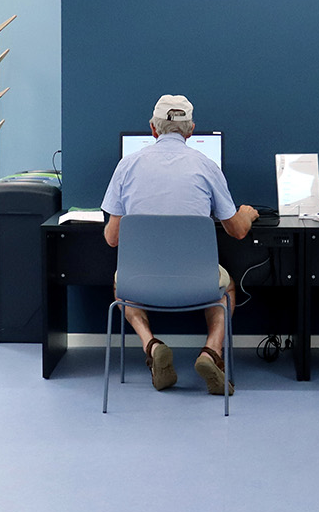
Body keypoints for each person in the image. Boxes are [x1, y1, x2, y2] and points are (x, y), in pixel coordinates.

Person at [101, 95, 260, 395]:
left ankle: (152, 345)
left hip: (141, 281)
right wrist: (248, 214)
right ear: (191, 131)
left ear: (153, 128)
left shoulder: (127, 165)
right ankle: (211, 352)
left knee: (122, 285)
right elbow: (237, 231)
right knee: (225, 288)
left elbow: (112, 239)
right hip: (196, 281)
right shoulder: (207, 165)